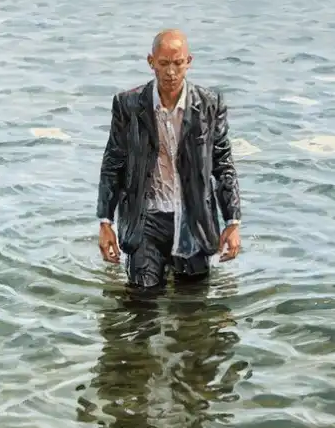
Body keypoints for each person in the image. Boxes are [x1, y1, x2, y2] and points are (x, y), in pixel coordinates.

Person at [97, 29, 241, 289]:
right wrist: (105, 222)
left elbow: (223, 165)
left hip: (193, 221)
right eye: (163, 63)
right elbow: (113, 164)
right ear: (151, 62)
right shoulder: (128, 105)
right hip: (145, 220)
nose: (171, 72)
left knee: (193, 302)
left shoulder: (210, 105)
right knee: (140, 299)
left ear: (189, 62)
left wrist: (232, 222)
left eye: (178, 63)